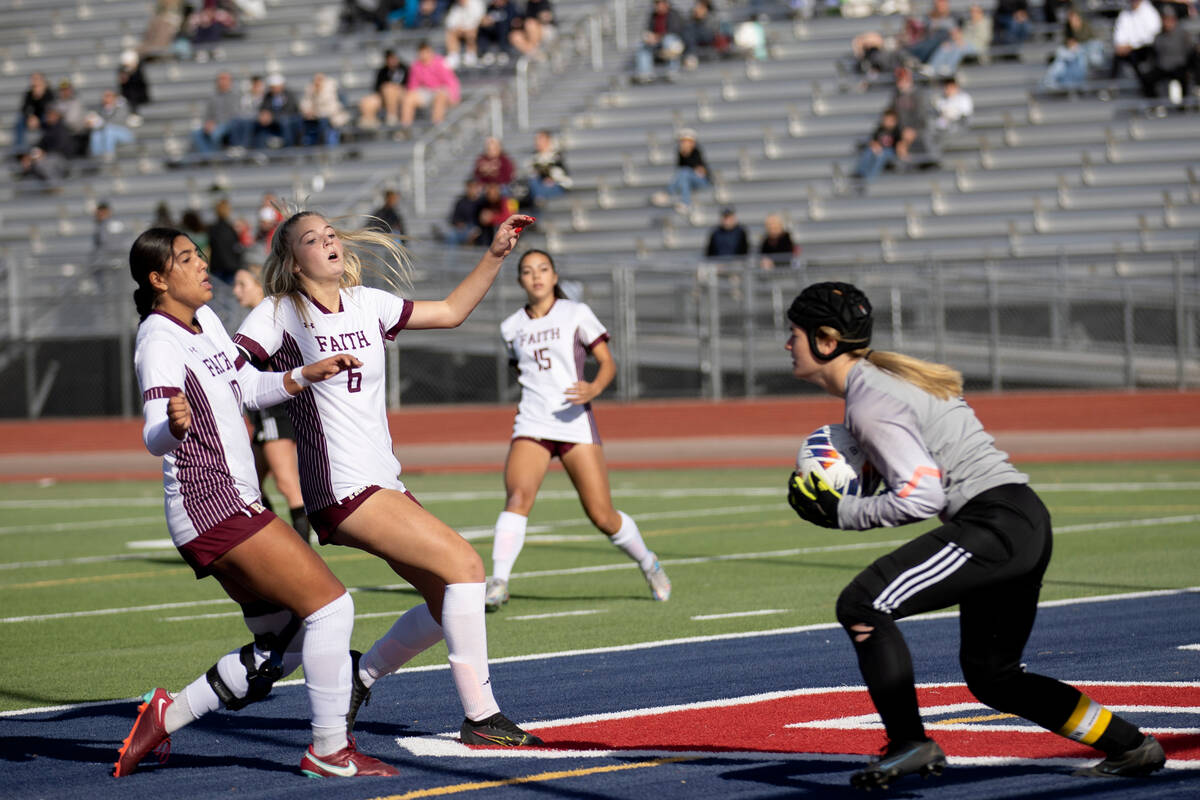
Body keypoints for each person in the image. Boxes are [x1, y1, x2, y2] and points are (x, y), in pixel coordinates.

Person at [782, 281, 1167, 790]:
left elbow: (923, 498)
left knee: (862, 604)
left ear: (826, 341)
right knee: (994, 676)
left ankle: (909, 743)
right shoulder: (881, 381)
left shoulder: (870, 397)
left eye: (794, 334)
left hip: (994, 524)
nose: (788, 344)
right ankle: (1131, 744)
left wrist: (843, 510)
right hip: (1019, 518)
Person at [232, 207, 544, 746]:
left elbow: (449, 312)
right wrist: (298, 376)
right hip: (341, 485)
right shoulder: (279, 312)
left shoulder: (367, 303)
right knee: (467, 567)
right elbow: (234, 380)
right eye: (313, 239)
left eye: (331, 234)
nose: (329, 243)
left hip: (383, 481)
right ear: (291, 259)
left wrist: (494, 255)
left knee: (446, 600)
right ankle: (481, 716)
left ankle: (360, 677)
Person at [115, 226, 395, 779]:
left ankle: (169, 714)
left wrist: (301, 375)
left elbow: (247, 387)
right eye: (188, 259)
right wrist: (170, 427)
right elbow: (153, 434)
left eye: (200, 255)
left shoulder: (208, 322)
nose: (203, 265)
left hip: (231, 502)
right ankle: (328, 749)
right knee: (332, 608)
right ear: (158, 279)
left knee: (283, 644)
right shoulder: (159, 339)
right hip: (211, 504)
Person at [484, 249, 671, 612]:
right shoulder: (511, 326)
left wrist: (594, 388)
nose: (536, 276)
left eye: (543, 269)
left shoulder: (576, 313)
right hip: (532, 422)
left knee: (602, 515)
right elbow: (522, 373)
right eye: (527, 271)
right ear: (520, 280)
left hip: (574, 421)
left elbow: (607, 364)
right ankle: (499, 581)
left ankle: (649, 563)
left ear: (554, 276)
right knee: (518, 498)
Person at [231, 263, 312, 544]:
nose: (236, 290)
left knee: (288, 484)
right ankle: (275, 542)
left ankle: (302, 554)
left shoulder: (269, 317)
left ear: (258, 285)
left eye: (243, 284)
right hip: (262, 415)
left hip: (274, 412)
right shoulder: (256, 318)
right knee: (247, 483)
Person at [400, 41, 461, 129]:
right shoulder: (416, 66)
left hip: (441, 91)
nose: (423, 55)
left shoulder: (440, 62)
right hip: (426, 92)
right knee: (408, 98)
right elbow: (413, 85)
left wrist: (454, 96)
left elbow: (451, 81)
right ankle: (405, 128)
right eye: (421, 53)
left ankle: (436, 126)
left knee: (440, 95)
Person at [1110, 0, 1162, 97]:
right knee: (1116, 57)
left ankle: (1149, 94)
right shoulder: (1125, 14)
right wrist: (1121, 44)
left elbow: (1153, 34)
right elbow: (1119, 32)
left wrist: (1132, 45)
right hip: (1128, 49)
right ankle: (1111, 87)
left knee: (1139, 63)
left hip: (1146, 49)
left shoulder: (1150, 12)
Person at [191, 72, 249, 153]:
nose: (222, 81)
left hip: (229, 125)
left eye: (225, 79)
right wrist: (208, 124)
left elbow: (236, 115)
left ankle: (216, 157)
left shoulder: (236, 96)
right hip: (215, 125)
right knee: (196, 134)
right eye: (220, 79)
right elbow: (208, 115)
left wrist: (216, 125)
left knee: (216, 134)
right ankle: (208, 156)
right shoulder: (212, 97)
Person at [634, 0, 686, 83]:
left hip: (673, 42)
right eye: (656, 3)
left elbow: (674, 30)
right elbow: (648, 30)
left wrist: (658, 37)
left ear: (666, 4)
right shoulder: (653, 16)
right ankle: (645, 73)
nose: (657, 6)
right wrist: (649, 37)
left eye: (659, 3)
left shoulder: (674, 14)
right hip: (656, 42)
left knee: (668, 41)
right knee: (642, 45)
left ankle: (672, 70)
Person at [358, 49, 409, 128]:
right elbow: (377, 89)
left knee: (389, 89)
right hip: (384, 98)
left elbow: (408, 86)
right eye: (389, 58)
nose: (392, 60)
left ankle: (392, 118)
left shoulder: (404, 69)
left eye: (393, 58)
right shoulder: (382, 71)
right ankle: (371, 124)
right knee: (366, 102)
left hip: (401, 96)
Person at [523, 129, 572, 207]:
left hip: (556, 186)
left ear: (548, 140)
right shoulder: (533, 158)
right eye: (536, 140)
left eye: (540, 139)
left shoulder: (557, 156)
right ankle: (539, 199)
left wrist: (551, 179)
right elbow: (530, 174)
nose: (537, 142)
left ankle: (539, 200)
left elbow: (561, 175)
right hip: (538, 187)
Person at [299, 72, 349, 146]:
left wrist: (319, 112)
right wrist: (308, 110)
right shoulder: (310, 89)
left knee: (324, 122)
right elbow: (305, 102)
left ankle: (324, 144)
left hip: (332, 115)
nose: (317, 82)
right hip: (314, 117)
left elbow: (334, 106)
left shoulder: (331, 89)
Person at [666, 128, 709, 212]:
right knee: (683, 176)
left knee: (684, 172)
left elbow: (699, 170)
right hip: (689, 181)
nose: (683, 144)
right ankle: (675, 197)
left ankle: (674, 196)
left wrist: (686, 154)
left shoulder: (696, 152)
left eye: (686, 141)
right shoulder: (680, 153)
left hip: (702, 182)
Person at [254, 73, 302, 149]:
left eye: (275, 87)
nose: (274, 89)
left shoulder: (289, 95)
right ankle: (261, 149)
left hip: (289, 119)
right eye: (272, 87)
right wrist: (264, 114)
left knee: (285, 122)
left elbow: (290, 110)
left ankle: (288, 147)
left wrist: (273, 116)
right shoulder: (268, 96)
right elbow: (263, 108)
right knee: (258, 123)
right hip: (272, 120)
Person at [87, 89, 136, 159]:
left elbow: (119, 121)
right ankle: (96, 157)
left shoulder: (122, 107)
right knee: (96, 134)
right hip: (108, 132)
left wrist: (102, 122)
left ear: (115, 97)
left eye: (108, 96)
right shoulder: (102, 109)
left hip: (125, 133)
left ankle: (109, 156)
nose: (106, 99)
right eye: (105, 96)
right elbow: (99, 123)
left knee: (109, 131)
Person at [13, 72, 55, 154]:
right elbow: (24, 108)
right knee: (19, 120)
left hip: (44, 118)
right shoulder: (29, 94)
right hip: (33, 118)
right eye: (33, 79)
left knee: (48, 120)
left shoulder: (49, 93)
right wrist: (30, 117)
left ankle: (47, 146)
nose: (34, 81)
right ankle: (20, 147)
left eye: (36, 79)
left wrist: (39, 96)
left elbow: (49, 109)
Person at [207, 197, 243, 282]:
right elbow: (236, 247)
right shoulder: (230, 229)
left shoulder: (212, 229)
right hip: (230, 267)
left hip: (217, 266)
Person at [444, 0, 487, 69]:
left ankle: (471, 54)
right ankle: (454, 56)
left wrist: (466, 28)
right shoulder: (456, 7)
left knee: (471, 33)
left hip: (475, 29)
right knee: (450, 33)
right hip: (461, 30)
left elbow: (479, 19)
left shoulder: (476, 3)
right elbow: (450, 22)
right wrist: (458, 28)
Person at [445, 178, 485, 246]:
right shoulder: (461, 202)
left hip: (478, 228)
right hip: (463, 229)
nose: (472, 190)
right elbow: (454, 218)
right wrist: (459, 224)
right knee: (451, 236)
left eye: (474, 187)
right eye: (470, 187)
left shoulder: (482, 202)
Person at [118, 50, 151, 122]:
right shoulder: (121, 71)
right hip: (127, 95)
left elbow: (140, 82)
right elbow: (122, 83)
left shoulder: (138, 71)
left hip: (137, 95)